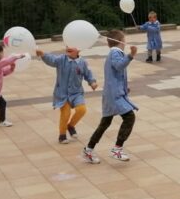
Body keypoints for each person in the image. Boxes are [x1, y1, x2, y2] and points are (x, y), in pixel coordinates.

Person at [83, 30, 139, 163]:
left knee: (105, 123)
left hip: (112, 93)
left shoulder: (114, 53)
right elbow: (119, 66)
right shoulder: (115, 52)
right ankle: (117, 149)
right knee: (129, 117)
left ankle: (88, 149)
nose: (125, 42)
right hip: (114, 95)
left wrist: (124, 88)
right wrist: (131, 55)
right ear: (120, 41)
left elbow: (115, 74)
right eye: (124, 39)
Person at [36, 46, 98, 142]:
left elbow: (88, 74)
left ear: (79, 50)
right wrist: (43, 54)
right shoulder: (61, 59)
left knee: (82, 109)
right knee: (66, 113)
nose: (68, 47)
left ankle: (71, 126)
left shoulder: (82, 62)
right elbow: (52, 60)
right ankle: (62, 135)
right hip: (62, 93)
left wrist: (92, 82)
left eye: (72, 46)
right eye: (67, 45)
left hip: (77, 93)